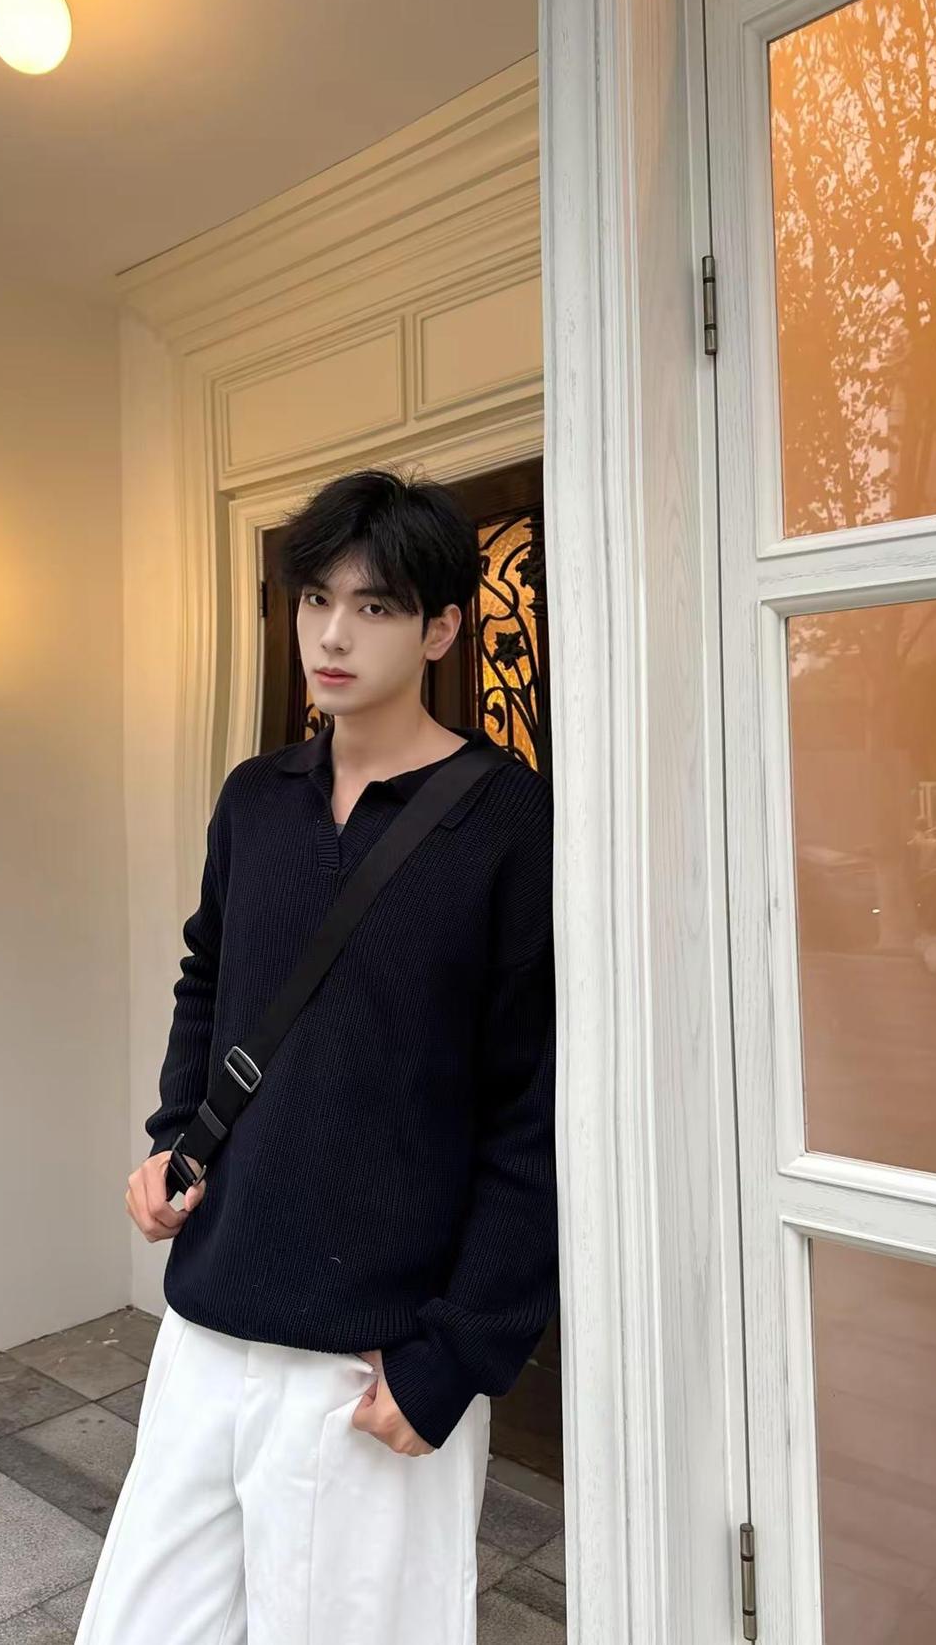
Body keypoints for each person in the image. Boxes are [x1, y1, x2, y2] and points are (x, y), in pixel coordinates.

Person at [74, 467, 558, 1645]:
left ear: (441, 628)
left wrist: (457, 1353)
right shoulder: (256, 798)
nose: (332, 634)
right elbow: (210, 980)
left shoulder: (505, 821)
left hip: (370, 1356)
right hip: (211, 1317)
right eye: (315, 599)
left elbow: (536, 1106)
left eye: (375, 605)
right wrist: (175, 1139)